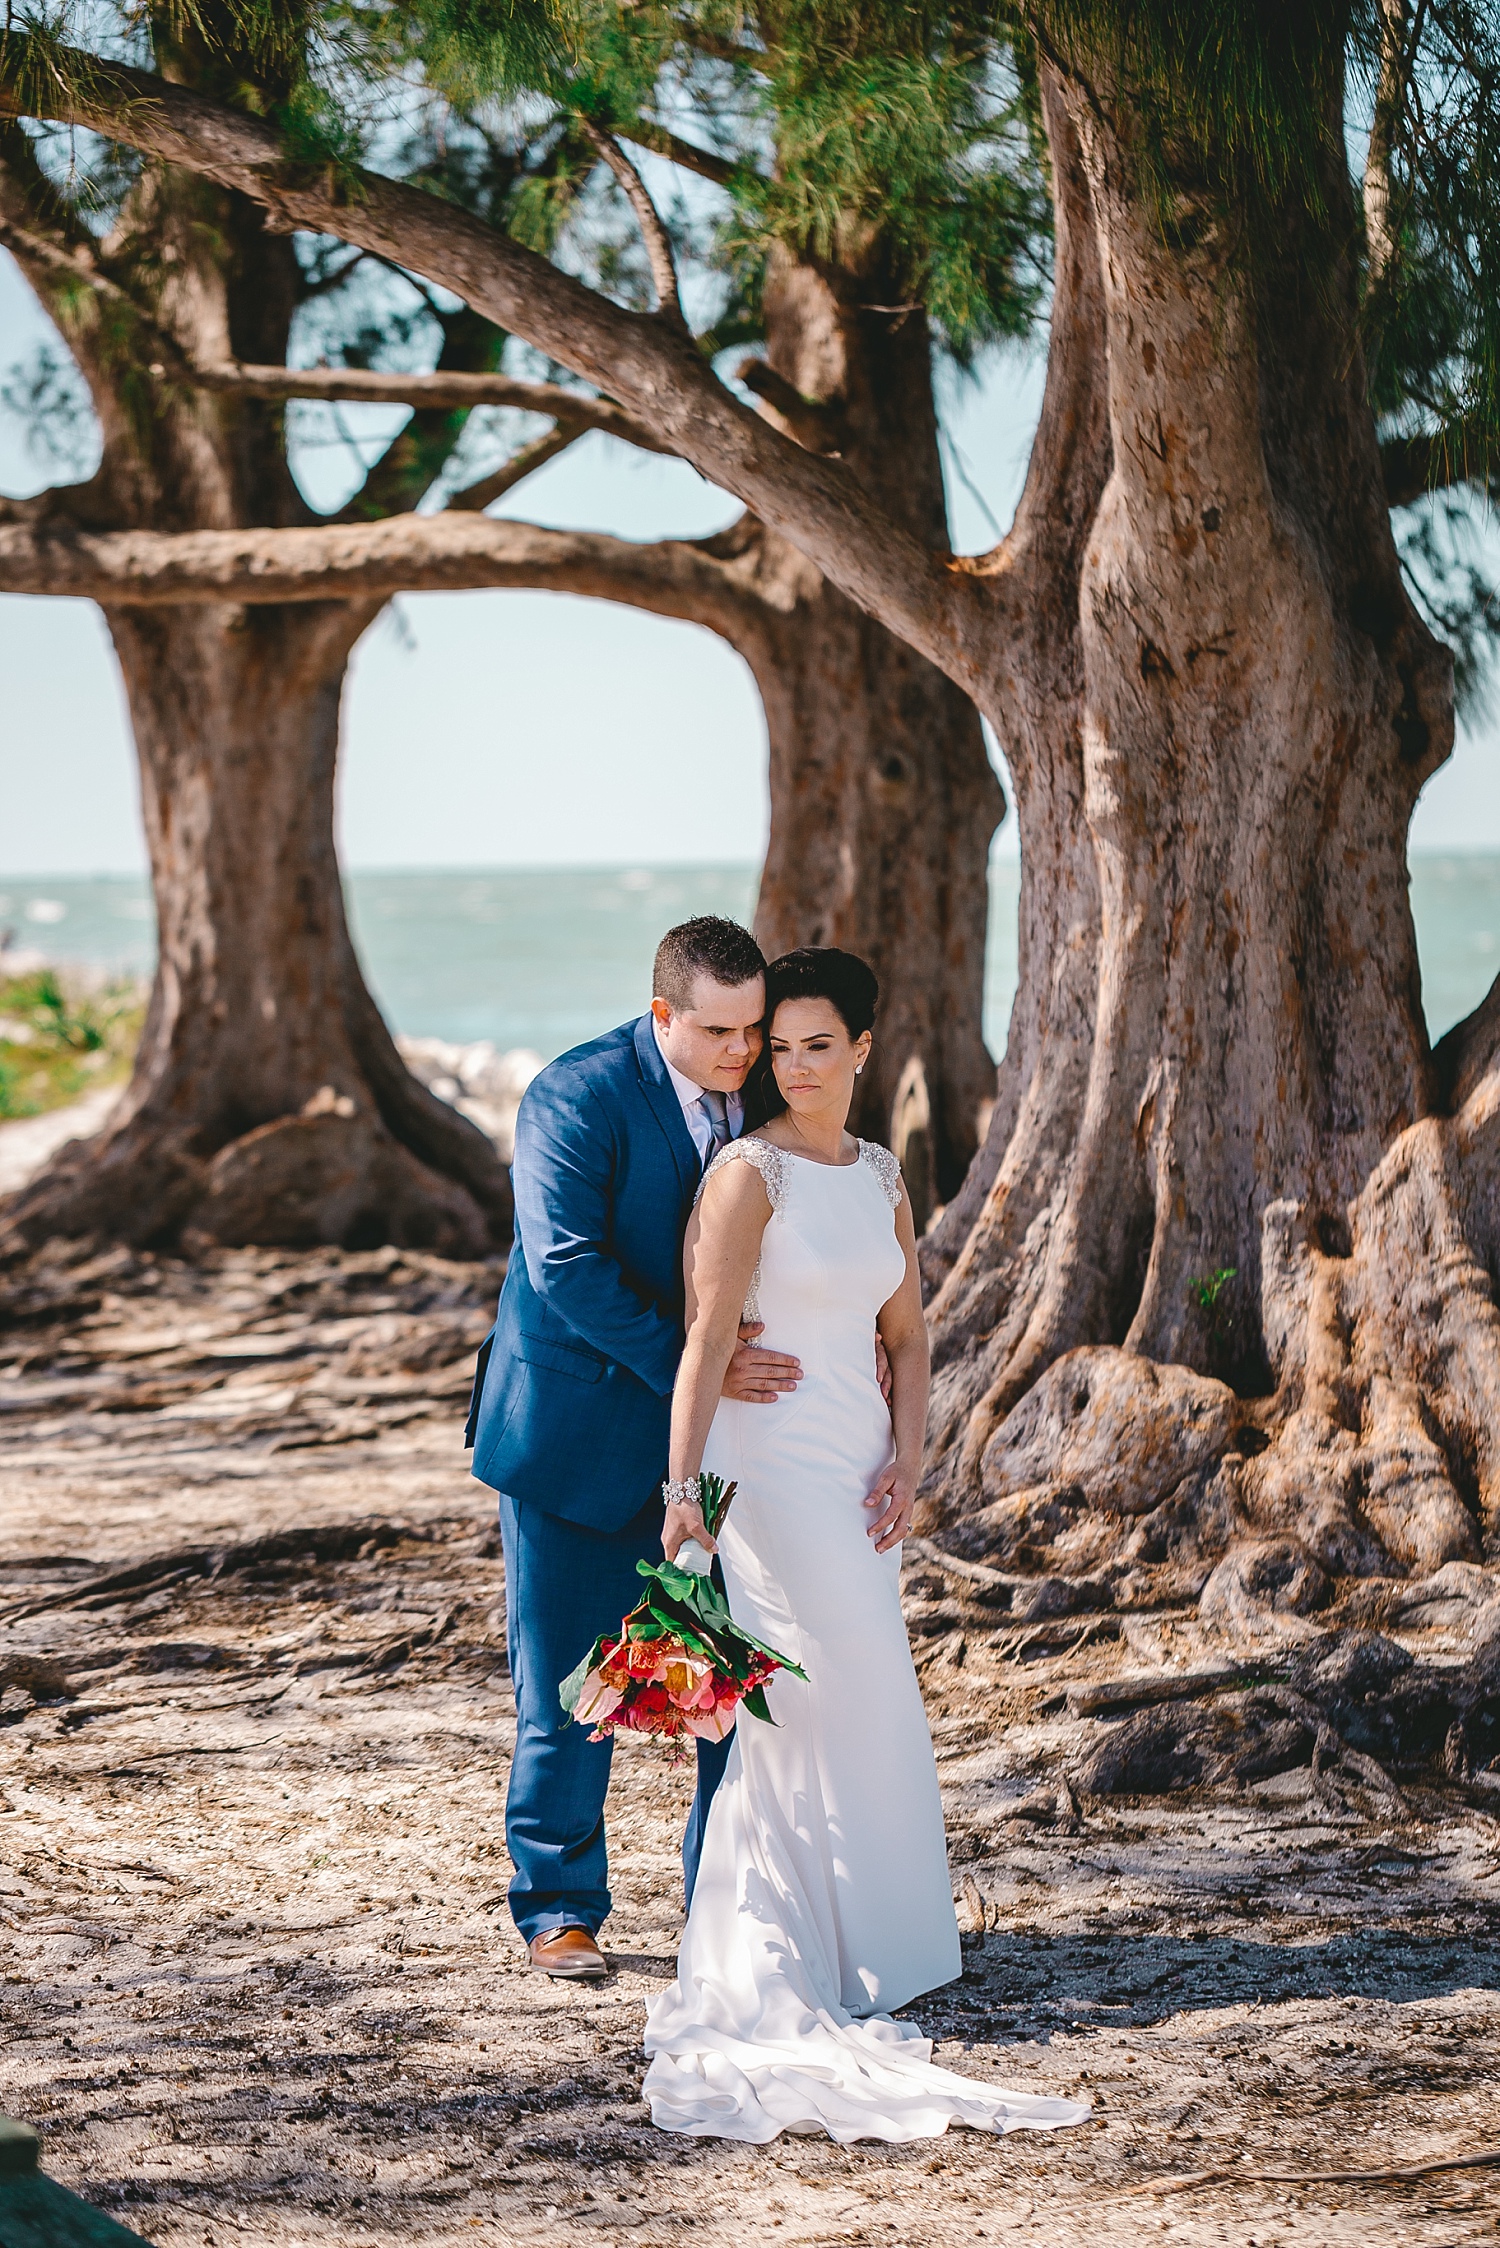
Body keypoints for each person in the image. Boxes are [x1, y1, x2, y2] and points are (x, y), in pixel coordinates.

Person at [641, 947, 1093, 2144]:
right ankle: (789, 1960)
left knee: (874, 1687)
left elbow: (908, 1335)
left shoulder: (883, 1171)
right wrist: (682, 1488)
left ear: (861, 1050)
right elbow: (703, 1342)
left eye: (813, 1045)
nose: (790, 1066)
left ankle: (882, 1951)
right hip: (769, 1469)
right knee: (807, 1692)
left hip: (859, 1469)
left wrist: (911, 1454)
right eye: (775, 1047)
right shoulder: (749, 1175)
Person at [466, 916, 804, 1983]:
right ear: (663, 1014)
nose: (743, 1053)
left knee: (739, 1677)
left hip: (729, 1445)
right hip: (576, 1435)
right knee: (570, 1684)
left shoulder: (761, 1096)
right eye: (717, 1031)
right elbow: (566, 1268)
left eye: (753, 1029)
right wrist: (696, 1366)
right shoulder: (573, 1097)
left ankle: (724, 1901)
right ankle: (558, 1907)